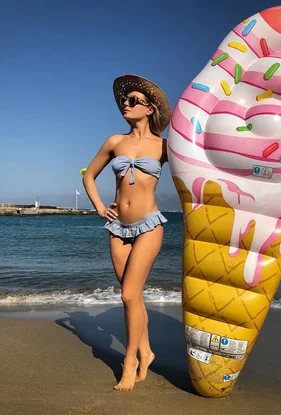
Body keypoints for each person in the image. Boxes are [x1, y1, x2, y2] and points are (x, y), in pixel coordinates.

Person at [82, 74, 171, 391]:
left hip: (149, 225)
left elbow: (193, 172)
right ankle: (146, 352)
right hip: (117, 226)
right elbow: (89, 176)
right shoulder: (114, 142)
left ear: (149, 109)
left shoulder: (164, 146)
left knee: (129, 295)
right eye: (124, 100)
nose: (126, 104)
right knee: (133, 298)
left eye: (133, 100)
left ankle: (130, 361)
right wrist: (98, 207)